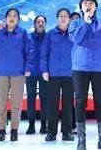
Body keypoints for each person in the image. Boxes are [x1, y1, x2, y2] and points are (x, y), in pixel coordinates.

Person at [70, 0, 101, 150]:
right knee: (80, 102)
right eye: (85, 3)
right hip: (80, 68)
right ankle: (81, 140)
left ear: (96, 7)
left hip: (99, 68)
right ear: (81, 7)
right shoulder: (75, 23)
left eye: (91, 3)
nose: (88, 5)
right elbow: (76, 39)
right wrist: (85, 22)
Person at [0, 8, 33, 142]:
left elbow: (29, 51)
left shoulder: (23, 33)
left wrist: (27, 68)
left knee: (16, 104)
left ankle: (14, 130)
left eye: (15, 16)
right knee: (1, 103)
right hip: (1, 73)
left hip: (18, 73)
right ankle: (1, 130)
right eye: (9, 16)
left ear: (18, 19)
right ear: (5, 19)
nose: (12, 18)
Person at [41, 8, 75, 142]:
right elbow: (44, 53)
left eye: (65, 16)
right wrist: (44, 70)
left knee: (68, 104)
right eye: (61, 16)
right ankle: (51, 132)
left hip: (70, 74)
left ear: (69, 19)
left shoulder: (73, 34)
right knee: (52, 104)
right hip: (53, 74)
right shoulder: (50, 34)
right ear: (57, 19)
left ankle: (67, 132)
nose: (63, 18)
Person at [27, 15, 49, 134]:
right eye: (38, 22)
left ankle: (44, 124)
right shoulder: (28, 37)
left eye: (42, 22)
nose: (40, 23)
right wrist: (26, 68)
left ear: (45, 24)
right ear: (35, 24)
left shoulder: (49, 37)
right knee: (31, 98)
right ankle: (31, 124)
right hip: (31, 72)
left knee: (44, 98)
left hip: (44, 72)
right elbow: (24, 53)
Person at [69, 11, 82, 135]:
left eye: (77, 19)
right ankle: (70, 125)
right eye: (72, 19)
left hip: (79, 70)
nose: (74, 21)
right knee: (69, 101)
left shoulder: (82, 35)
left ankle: (78, 126)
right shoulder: (67, 35)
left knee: (79, 99)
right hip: (67, 72)